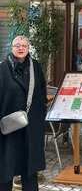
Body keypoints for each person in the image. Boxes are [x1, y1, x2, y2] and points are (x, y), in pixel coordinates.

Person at [0, 36, 47, 191]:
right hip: (8, 126)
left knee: (29, 167)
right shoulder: (3, 68)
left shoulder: (36, 67)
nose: (21, 48)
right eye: (17, 45)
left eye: (24, 46)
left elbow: (41, 94)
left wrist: (39, 120)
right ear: (11, 47)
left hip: (30, 125)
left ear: (28, 48)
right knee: (6, 166)